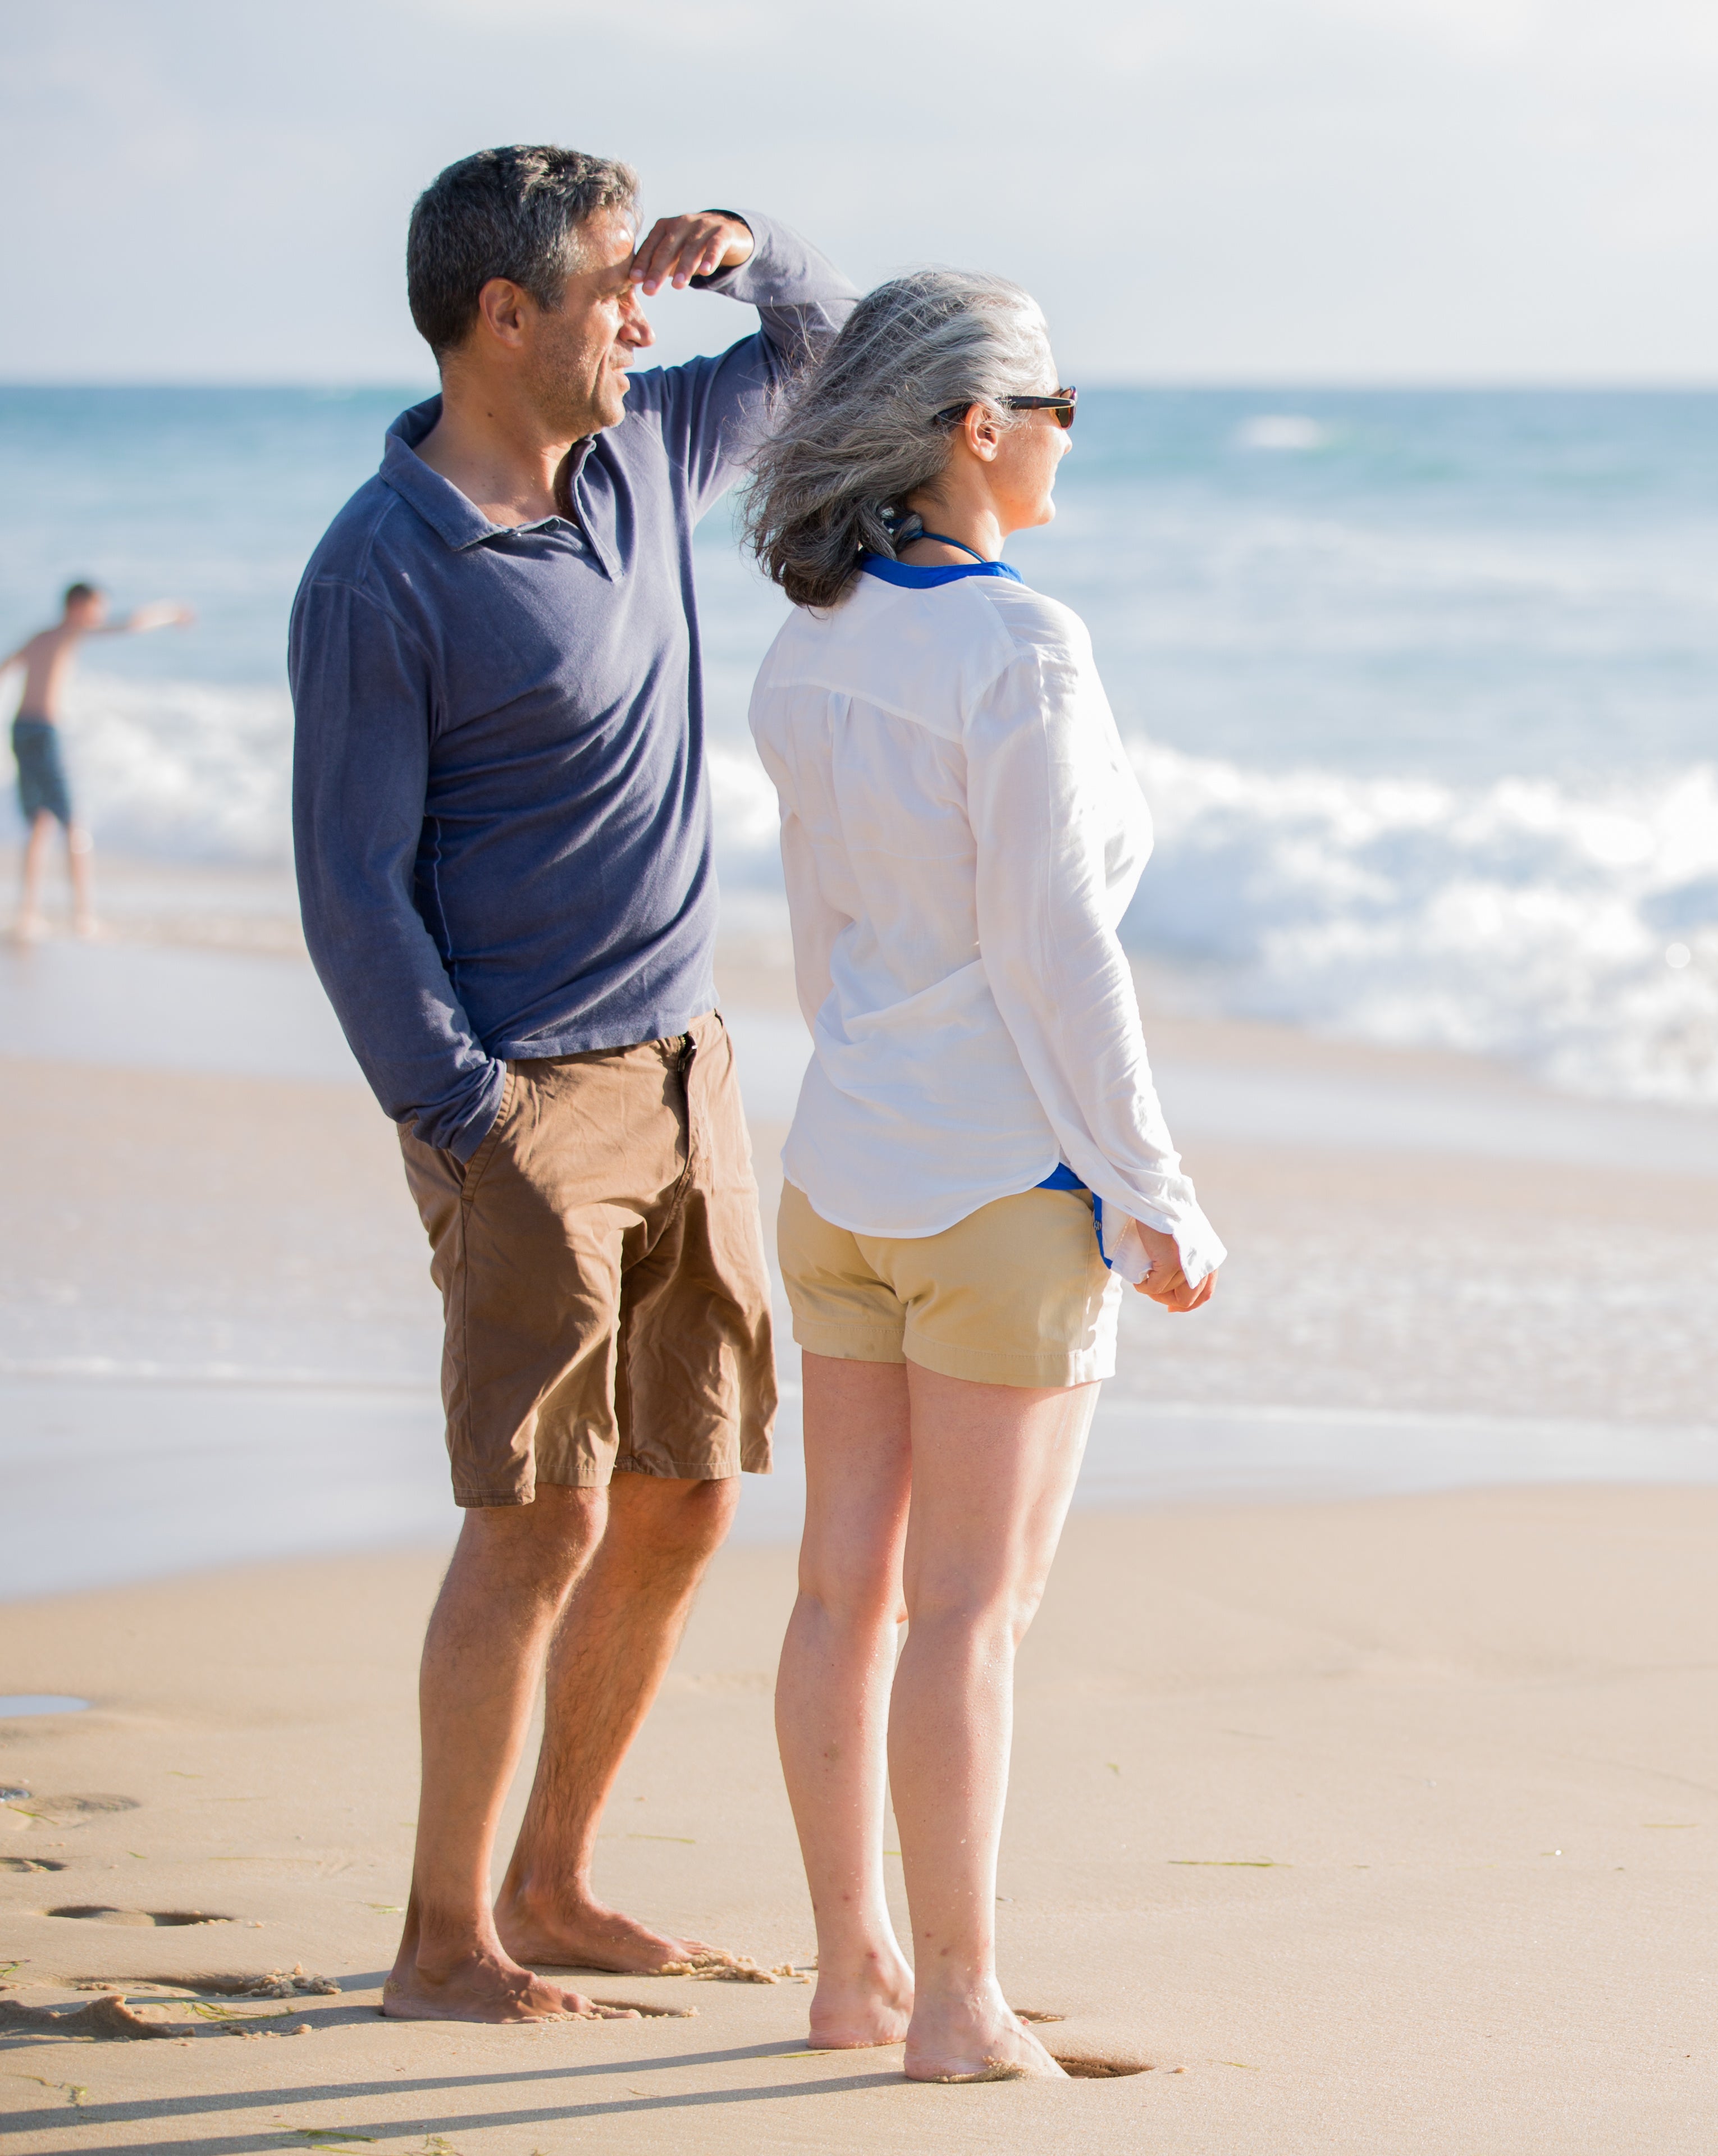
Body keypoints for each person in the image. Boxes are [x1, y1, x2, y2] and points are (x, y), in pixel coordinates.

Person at [286, 145, 857, 2026]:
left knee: (687, 1492)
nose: (638, 311)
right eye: (608, 285)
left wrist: (746, 245)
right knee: (537, 1516)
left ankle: (557, 1878)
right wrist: (466, 1118)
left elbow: (824, 352)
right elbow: (352, 888)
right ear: (498, 314)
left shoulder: (638, 463)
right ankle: (443, 1942)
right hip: (524, 1098)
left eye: (642, 283)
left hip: (691, 1068)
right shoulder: (381, 570)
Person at [741, 271, 1224, 2084]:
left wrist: (873, 1074)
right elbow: (1056, 948)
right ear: (977, 427)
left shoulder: (816, 639)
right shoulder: (1021, 646)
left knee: (837, 1597)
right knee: (970, 1614)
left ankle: (852, 1972)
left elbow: (821, 929)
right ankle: (954, 2002)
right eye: (1056, 401)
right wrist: (1152, 1181)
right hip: (998, 1187)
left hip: (846, 1160)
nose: (1067, 433)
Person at [4, 581, 193, 943]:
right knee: (74, 823)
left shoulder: (39, 636)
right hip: (44, 732)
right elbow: (132, 624)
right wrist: (172, 612)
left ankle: (27, 914)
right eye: (97, 607)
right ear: (78, 607)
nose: (100, 615)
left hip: (20, 729)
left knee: (40, 822)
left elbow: (5, 668)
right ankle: (84, 917)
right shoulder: (70, 632)